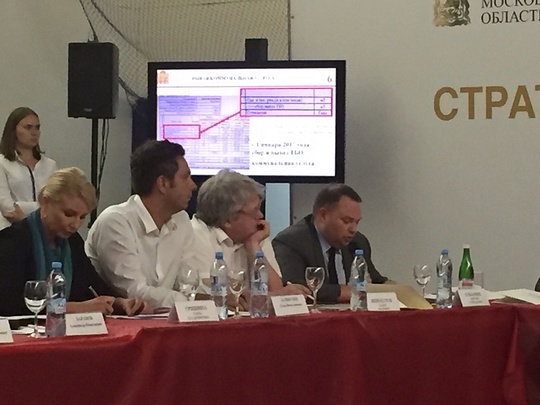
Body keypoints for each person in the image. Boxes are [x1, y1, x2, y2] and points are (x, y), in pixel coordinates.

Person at [0, 167, 145, 316]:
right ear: (45, 202)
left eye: (82, 217)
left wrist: (120, 303)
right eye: (69, 214)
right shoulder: (13, 240)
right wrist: (75, 308)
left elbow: (93, 287)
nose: (76, 225)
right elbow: (8, 304)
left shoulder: (72, 241)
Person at [85, 140, 198, 309]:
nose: (193, 185)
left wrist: (217, 299)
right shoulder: (116, 222)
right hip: (117, 321)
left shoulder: (181, 220)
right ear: (163, 183)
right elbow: (135, 292)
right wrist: (197, 303)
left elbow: (188, 282)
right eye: (185, 177)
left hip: (164, 319)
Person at [191, 169, 309, 303]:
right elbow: (215, 292)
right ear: (228, 220)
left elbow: (275, 288)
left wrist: (253, 245)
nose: (260, 215)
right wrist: (276, 295)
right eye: (255, 210)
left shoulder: (256, 235)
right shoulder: (196, 234)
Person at [272, 184, 391, 304]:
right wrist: (348, 292)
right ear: (323, 215)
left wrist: (394, 289)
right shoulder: (291, 241)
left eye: (357, 222)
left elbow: (376, 281)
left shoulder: (358, 242)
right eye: (347, 221)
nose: (353, 229)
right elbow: (294, 289)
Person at [0, 107, 57, 231]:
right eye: (28, 127)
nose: (34, 132)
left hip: (44, 231)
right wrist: (41, 209)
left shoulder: (50, 165)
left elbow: (55, 205)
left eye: (37, 127)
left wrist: (21, 207)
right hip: (9, 230)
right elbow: (7, 208)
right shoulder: (2, 163)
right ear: (13, 130)